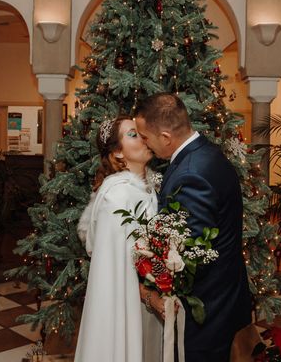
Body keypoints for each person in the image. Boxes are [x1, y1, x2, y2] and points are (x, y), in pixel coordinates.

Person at [135, 93, 252, 362]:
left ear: (165, 137)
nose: (145, 143)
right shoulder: (205, 153)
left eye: (145, 136)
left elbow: (188, 255)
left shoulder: (191, 174)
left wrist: (150, 284)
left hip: (210, 307)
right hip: (226, 294)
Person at [75, 115, 163, 362]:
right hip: (123, 304)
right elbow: (112, 270)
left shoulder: (153, 187)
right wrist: (147, 294)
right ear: (118, 153)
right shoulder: (116, 196)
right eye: (133, 134)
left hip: (150, 302)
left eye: (142, 132)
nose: (143, 137)